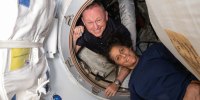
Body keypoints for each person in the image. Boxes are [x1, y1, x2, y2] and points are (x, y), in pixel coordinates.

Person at [105, 33, 200, 100]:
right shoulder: (132, 86)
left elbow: (186, 61)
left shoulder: (154, 51)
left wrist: (194, 84)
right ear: (119, 65)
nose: (124, 56)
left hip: (190, 90)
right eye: (118, 58)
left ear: (128, 47)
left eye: (122, 50)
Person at [73, 1, 132, 97]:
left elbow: (130, 60)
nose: (96, 27)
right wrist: (74, 38)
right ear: (83, 22)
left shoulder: (120, 31)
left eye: (99, 20)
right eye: (90, 22)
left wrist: (117, 83)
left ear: (106, 16)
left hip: (116, 61)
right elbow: (72, 54)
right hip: (97, 57)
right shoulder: (82, 31)